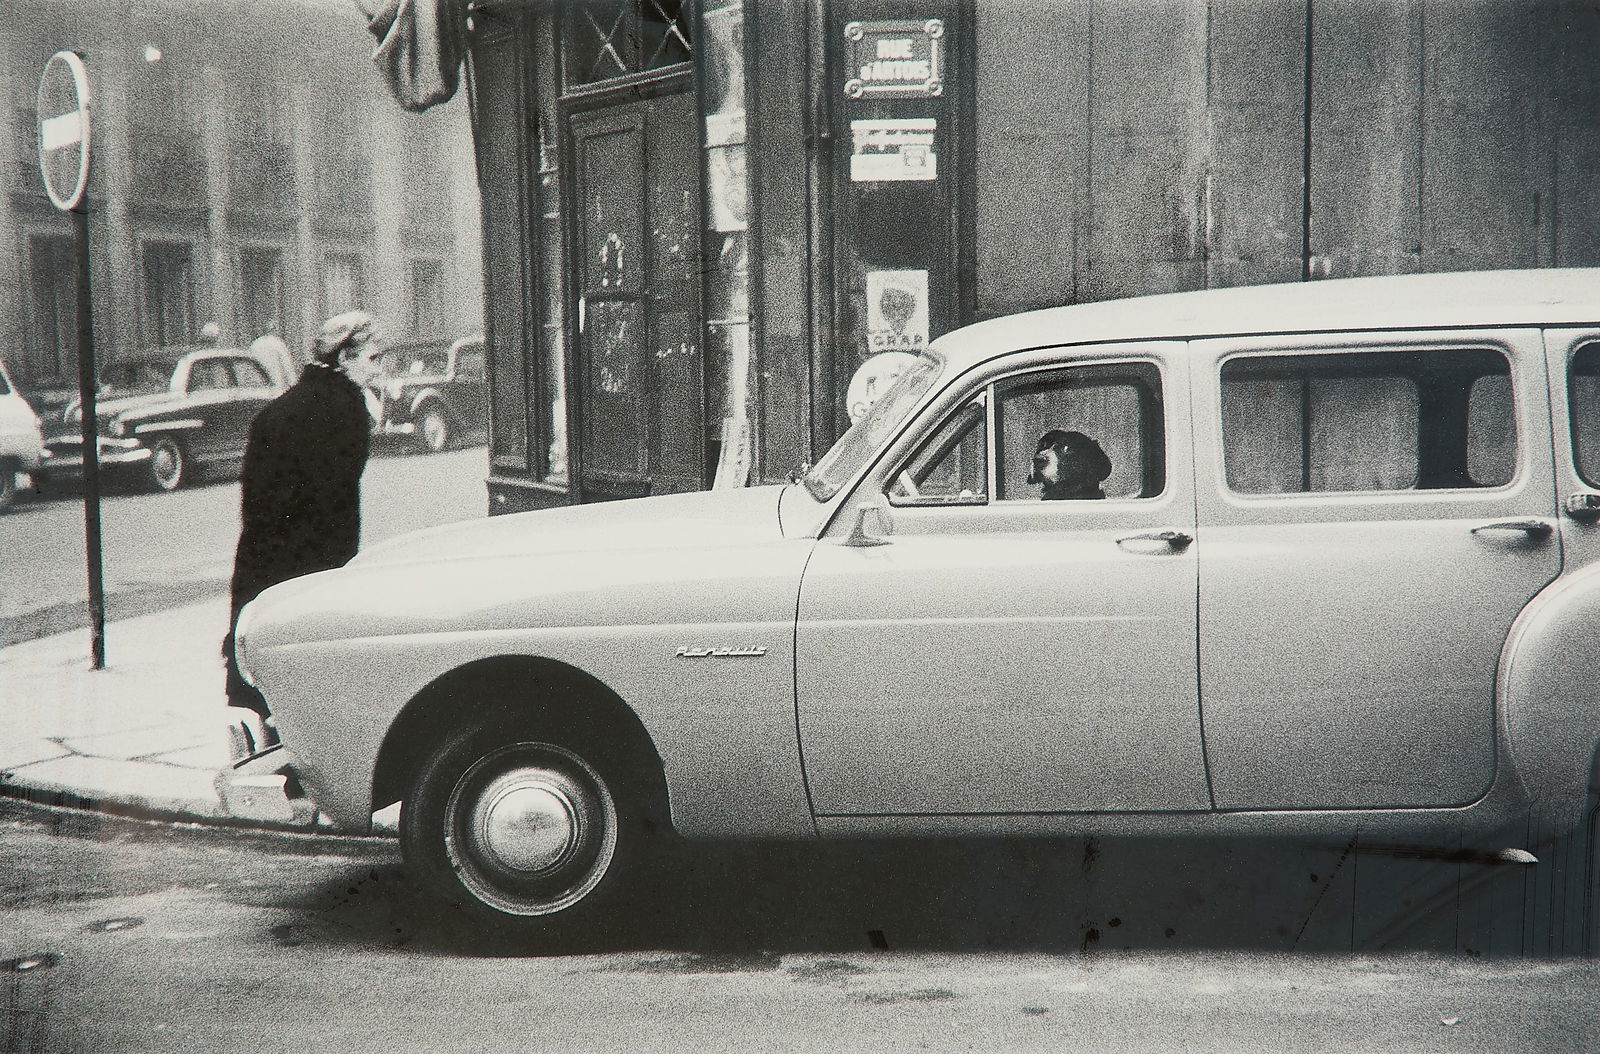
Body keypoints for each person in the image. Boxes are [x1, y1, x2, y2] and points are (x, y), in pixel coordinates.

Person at [223, 311, 384, 729]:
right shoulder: (347, 410)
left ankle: (268, 737)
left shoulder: (277, 412)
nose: (378, 367)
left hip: (264, 555)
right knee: (314, 662)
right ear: (345, 358)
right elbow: (338, 496)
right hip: (316, 558)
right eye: (372, 357)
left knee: (267, 654)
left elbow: (254, 503)